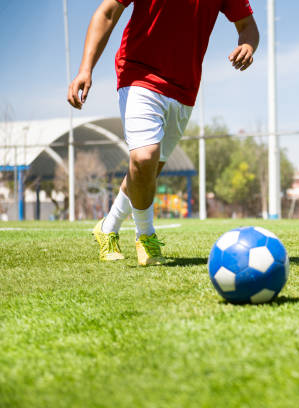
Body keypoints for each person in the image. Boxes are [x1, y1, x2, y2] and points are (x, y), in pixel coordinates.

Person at [67, 0, 259, 265]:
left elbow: (247, 26)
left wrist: (248, 45)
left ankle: (107, 228)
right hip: (138, 74)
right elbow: (108, 11)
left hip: (185, 89)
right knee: (144, 158)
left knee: (147, 171)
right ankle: (145, 236)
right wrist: (85, 69)